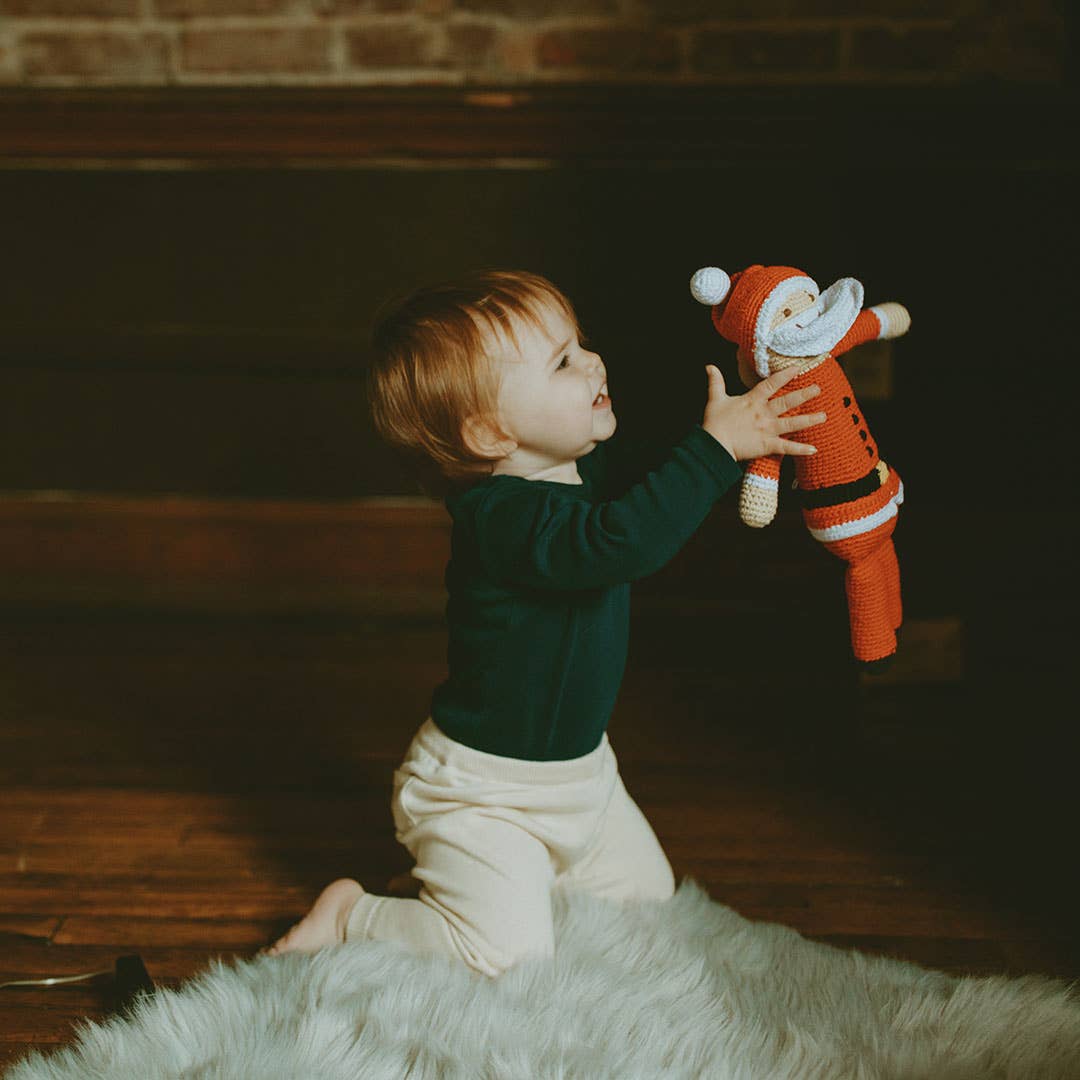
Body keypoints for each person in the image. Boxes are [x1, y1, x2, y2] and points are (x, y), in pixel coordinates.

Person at [265, 269, 825, 978]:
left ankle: (492, 884)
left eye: (581, 343)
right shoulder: (500, 519)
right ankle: (355, 913)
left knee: (650, 913)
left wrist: (735, 409)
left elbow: (651, 487)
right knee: (505, 959)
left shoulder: (574, 469)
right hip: (483, 794)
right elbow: (624, 542)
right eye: (562, 362)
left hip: (583, 781)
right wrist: (717, 450)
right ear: (490, 432)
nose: (593, 361)